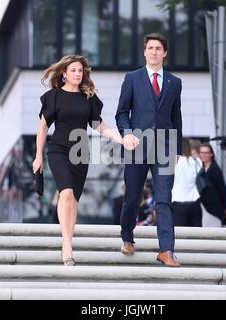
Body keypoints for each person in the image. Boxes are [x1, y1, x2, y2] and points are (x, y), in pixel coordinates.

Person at [32, 55, 130, 266]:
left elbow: (100, 126)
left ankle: (68, 242)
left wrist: (121, 139)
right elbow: (43, 128)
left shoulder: (88, 98)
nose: (78, 74)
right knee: (65, 194)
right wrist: (38, 156)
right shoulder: (53, 96)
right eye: (73, 70)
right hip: (58, 150)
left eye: (80, 71)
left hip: (80, 152)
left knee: (74, 201)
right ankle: (67, 246)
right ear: (64, 74)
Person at [115, 33, 183, 267]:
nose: (153, 52)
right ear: (144, 52)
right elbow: (122, 113)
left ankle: (166, 250)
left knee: (164, 199)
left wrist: (177, 150)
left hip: (165, 147)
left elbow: (177, 118)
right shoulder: (132, 78)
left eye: (158, 48)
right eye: (150, 48)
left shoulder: (175, 82)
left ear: (164, 53)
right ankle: (127, 237)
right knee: (132, 196)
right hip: (137, 146)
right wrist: (128, 134)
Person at [171, 138, 202, 227]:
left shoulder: (172, 162)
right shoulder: (197, 161)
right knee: (196, 234)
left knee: (179, 235)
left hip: (177, 201)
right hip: (194, 201)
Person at [199, 143, 226, 227]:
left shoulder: (215, 169)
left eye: (206, 153)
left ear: (211, 154)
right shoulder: (200, 168)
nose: (203, 155)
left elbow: (222, 189)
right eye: (202, 153)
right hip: (203, 207)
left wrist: (225, 207)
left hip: (214, 208)